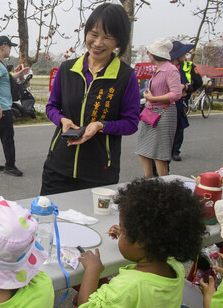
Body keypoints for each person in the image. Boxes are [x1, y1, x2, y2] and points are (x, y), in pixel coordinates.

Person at [40, 3, 140, 195]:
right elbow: (51, 107)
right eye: (93, 34)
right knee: (50, 221)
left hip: (99, 173)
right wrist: (61, 120)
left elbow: (131, 123)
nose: (98, 43)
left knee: (95, 224)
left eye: (108, 37)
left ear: (118, 41)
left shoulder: (126, 76)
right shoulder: (67, 69)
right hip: (58, 167)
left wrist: (101, 125)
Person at [78, 178, 206, 307]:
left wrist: (92, 269)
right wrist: (129, 234)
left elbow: (86, 305)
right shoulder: (175, 267)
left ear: (140, 240)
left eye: (123, 230)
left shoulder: (127, 288)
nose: (120, 233)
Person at [135, 38, 181, 178]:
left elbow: (176, 94)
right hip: (151, 112)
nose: (148, 55)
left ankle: (164, 182)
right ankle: (148, 178)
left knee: (159, 153)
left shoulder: (170, 70)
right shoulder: (158, 70)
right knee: (143, 148)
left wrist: (153, 98)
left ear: (155, 54)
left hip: (165, 113)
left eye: (149, 53)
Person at [0, 36, 30, 177]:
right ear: (3, 46)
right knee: (7, 137)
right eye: (10, 46)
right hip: (1, 107)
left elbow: (4, 80)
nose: (10, 49)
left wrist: (19, 74)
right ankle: (10, 166)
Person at [169, 41, 203, 161]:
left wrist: (188, 88)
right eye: (183, 53)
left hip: (181, 101)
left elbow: (199, 82)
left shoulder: (188, 67)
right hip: (167, 102)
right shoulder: (166, 67)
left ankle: (175, 151)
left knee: (179, 126)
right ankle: (166, 150)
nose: (185, 55)